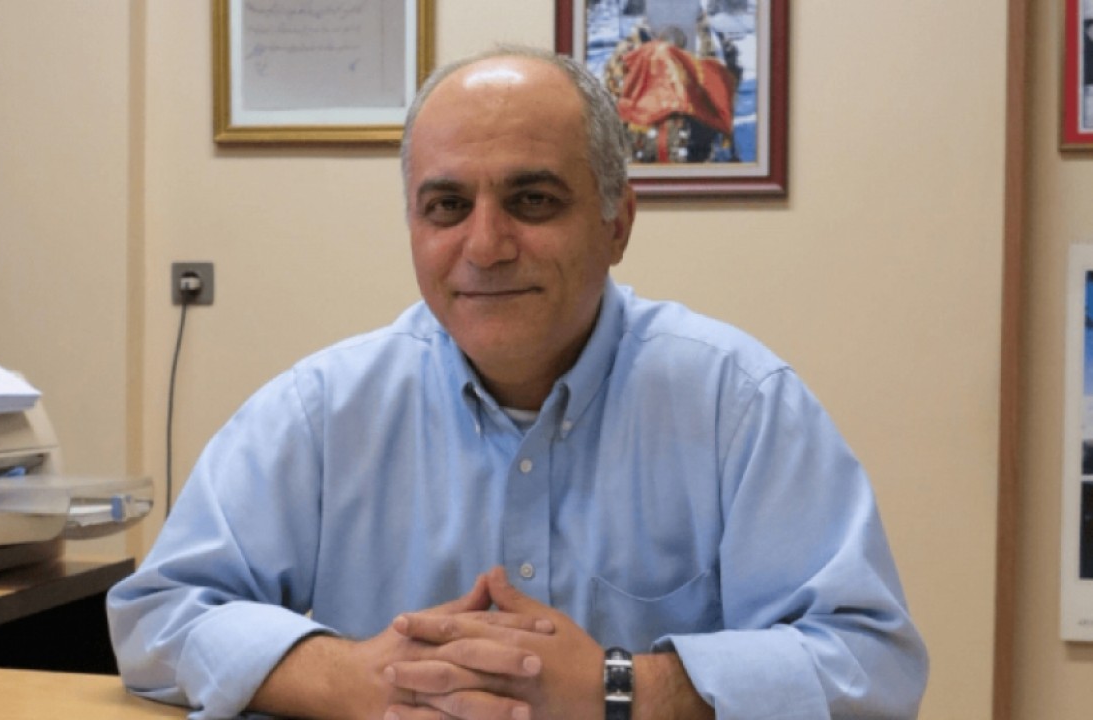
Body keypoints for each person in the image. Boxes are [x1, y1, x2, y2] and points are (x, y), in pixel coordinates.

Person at [107, 45, 928, 720]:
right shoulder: (322, 410)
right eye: (446, 206)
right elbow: (158, 614)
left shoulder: (737, 404)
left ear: (617, 224)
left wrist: (621, 690)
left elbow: (871, 667)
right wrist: (350, 679)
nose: (485, 246)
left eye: (532, 200)